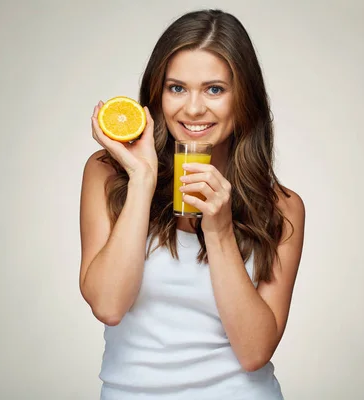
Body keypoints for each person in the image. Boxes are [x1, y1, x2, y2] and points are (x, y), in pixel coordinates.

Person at [79, 9, 305, 400]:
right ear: (157, 93)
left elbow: (254, 352)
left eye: (214, 89)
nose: (193, 108)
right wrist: (143, 180)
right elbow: (109, 305)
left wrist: (218, 232)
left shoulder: (282, 208)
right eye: (177, 88)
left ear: (244, 97)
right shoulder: (108, 175)